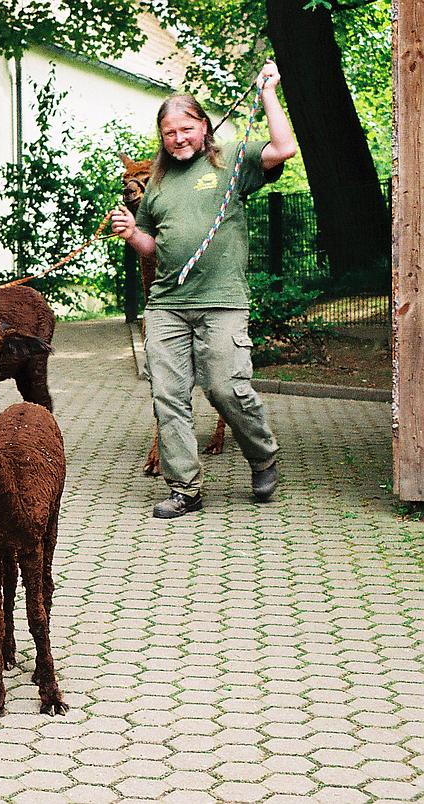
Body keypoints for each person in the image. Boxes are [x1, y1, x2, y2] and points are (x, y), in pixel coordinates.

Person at [110, 61, 298, 519]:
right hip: (167, 305)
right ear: (162, 136)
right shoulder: (154, 182)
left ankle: (262, 454)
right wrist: (132, 232)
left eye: (187, 128)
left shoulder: (231, 160)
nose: (179, 138)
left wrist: (269, 90)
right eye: (169, 131)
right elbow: (151, 244)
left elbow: (284, 147)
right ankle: (184, 489)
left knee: (225, 388)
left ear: (203, 126)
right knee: (168, 395)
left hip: (221, 301)